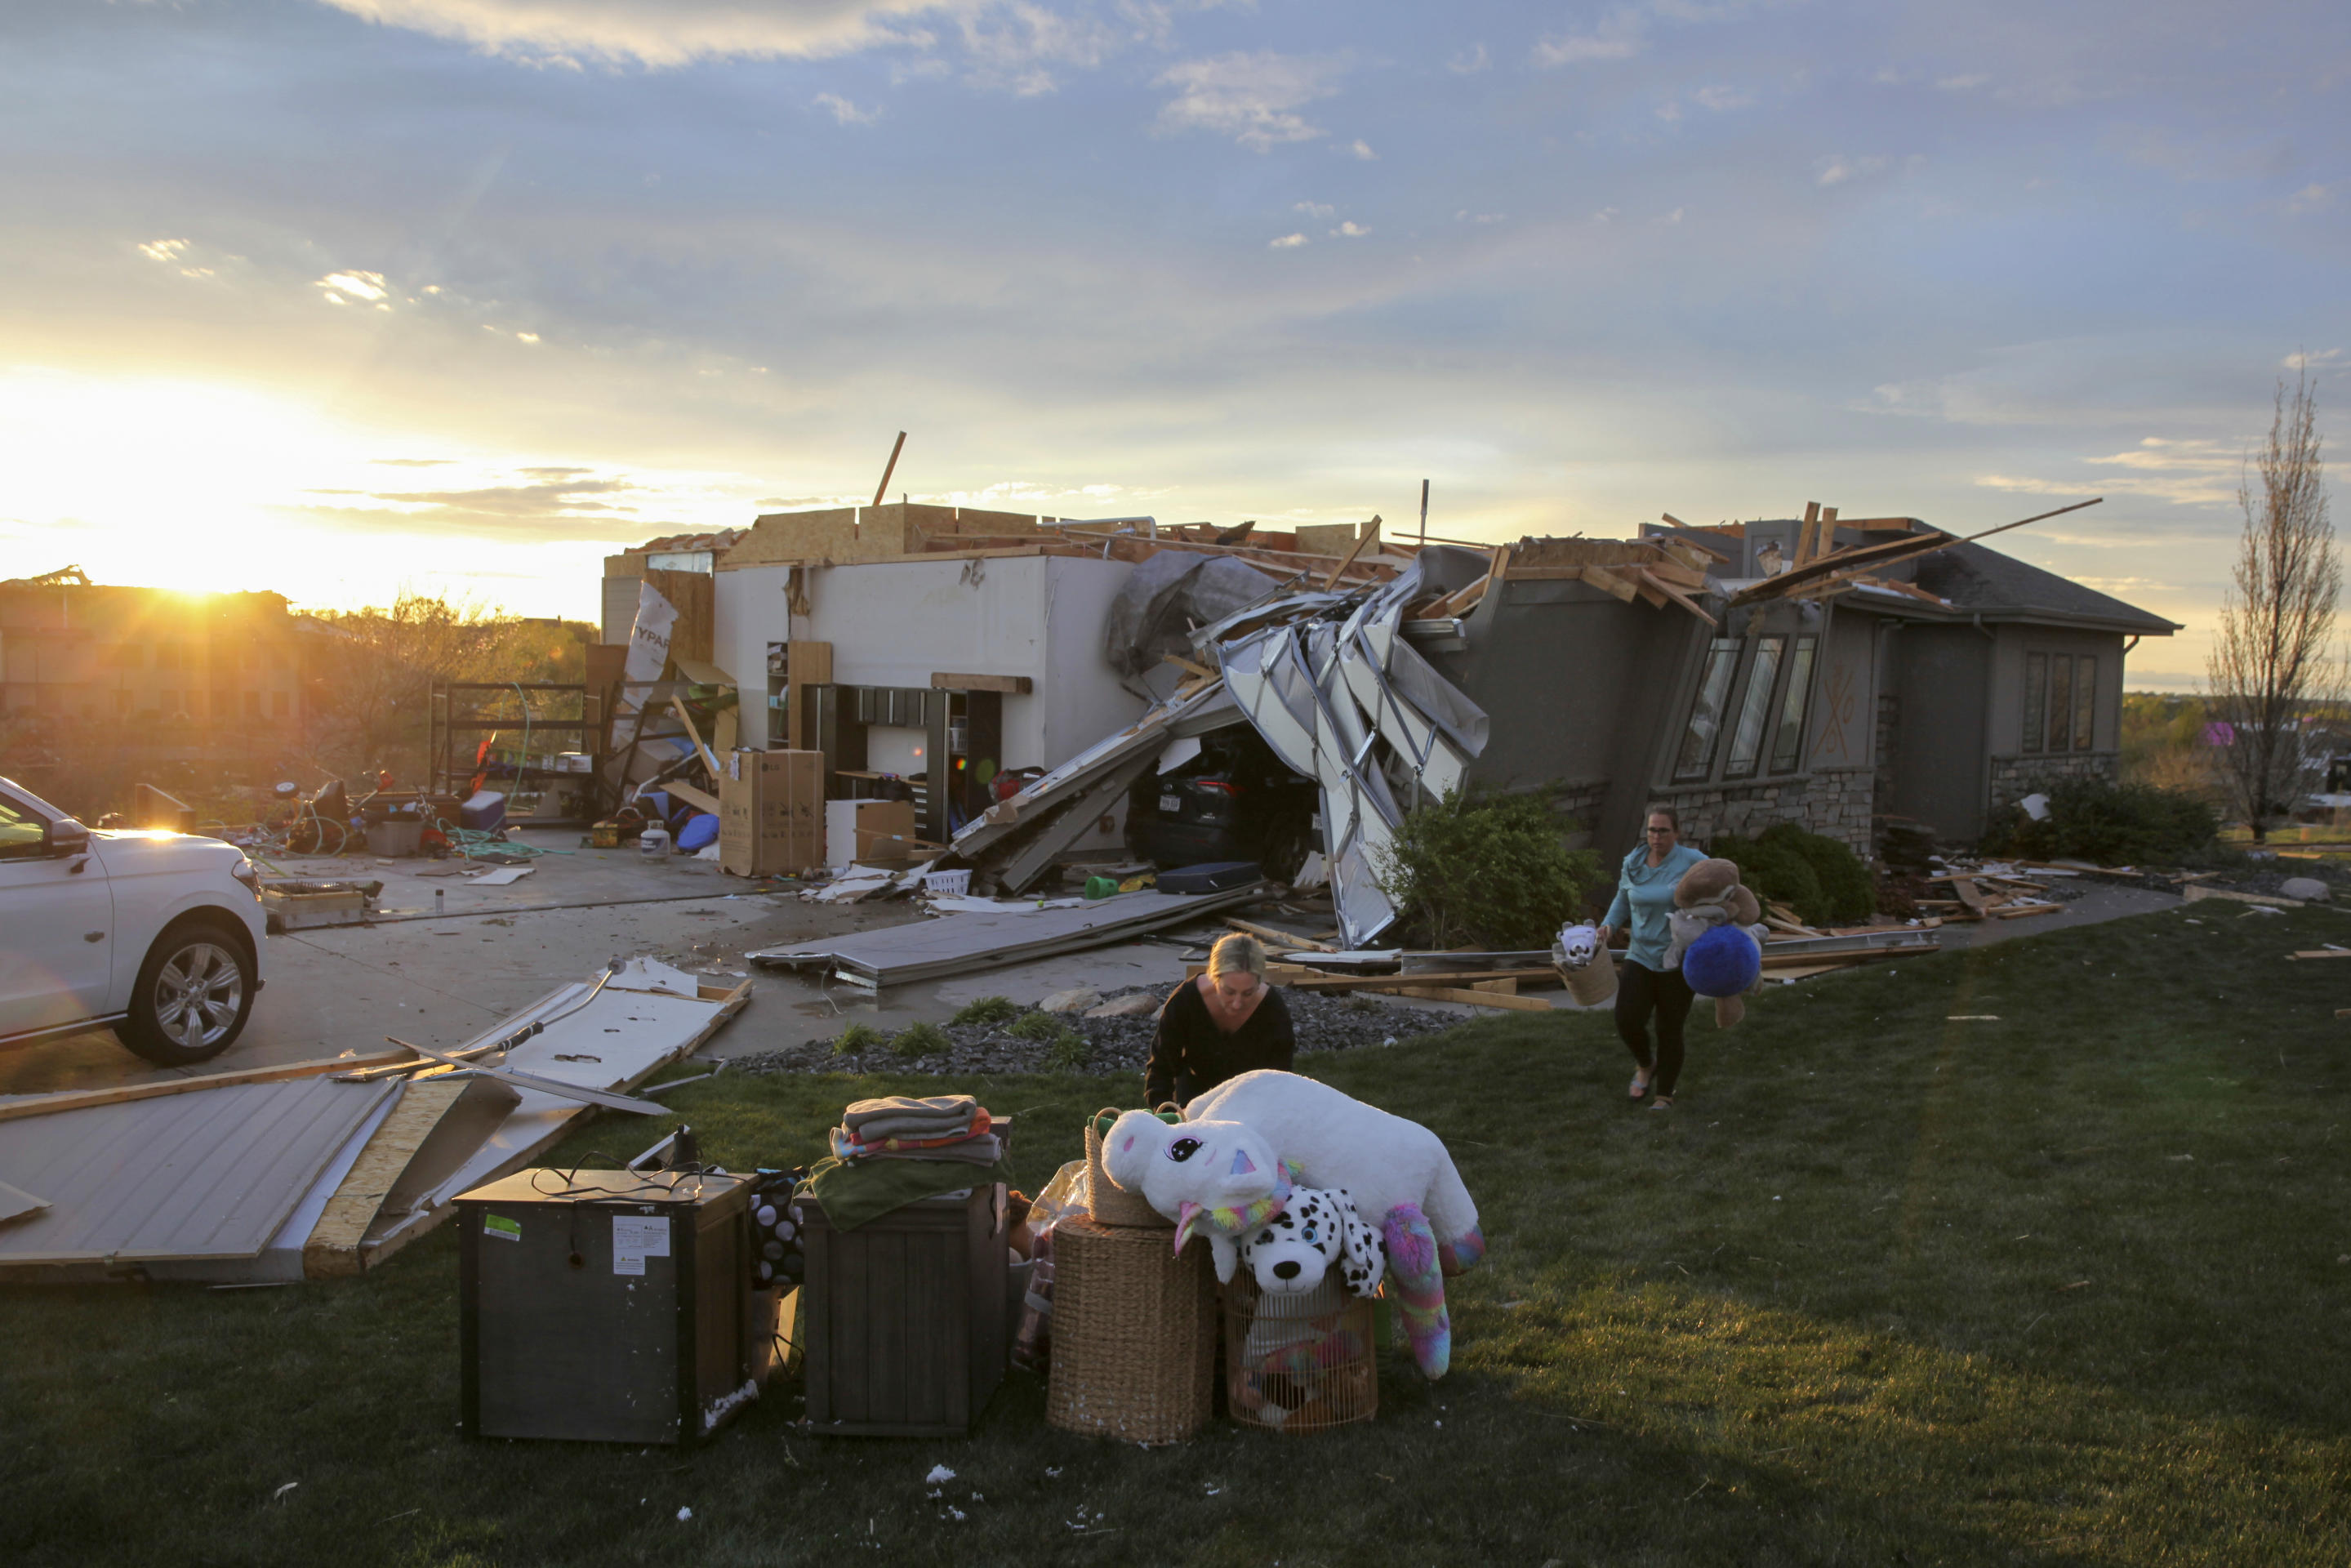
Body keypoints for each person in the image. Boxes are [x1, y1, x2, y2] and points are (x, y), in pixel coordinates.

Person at [1597, 804, 1705, 1111]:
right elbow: (1623, 897)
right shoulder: (1633, 863)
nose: (1656, 837)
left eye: (1663, 831)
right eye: (1651, 830)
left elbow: (1722, 883)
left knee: (1669, 1028)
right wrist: (1609, 925)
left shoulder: (1693, 862)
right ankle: (1646, 1063)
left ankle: (1664, 1095)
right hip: (1640, 954)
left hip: (1678, 958)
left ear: (1677, 832)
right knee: (1626, 1019)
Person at [1142, 932, 1295, 1109]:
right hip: (1195, 1097)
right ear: (1214, 978)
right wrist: (1167, 1114)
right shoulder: (1186, 1000)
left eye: (1248, 993)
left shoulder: (1272, 1010)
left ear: (1259, 983)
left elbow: (1280, 1081)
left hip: (1250, 1103)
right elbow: (1161, 1068)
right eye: (1229, 992)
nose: (1237, 1004)